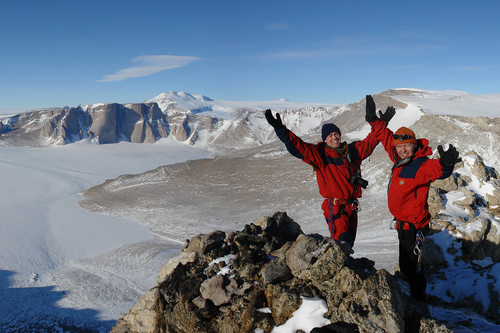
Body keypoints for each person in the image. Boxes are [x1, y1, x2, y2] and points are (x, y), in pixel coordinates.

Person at [365, 98, 460, 300]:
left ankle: (418, 301)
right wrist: (374, 121)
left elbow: (436, 170)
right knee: (407, 263)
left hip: (413, 226)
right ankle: (415, 293)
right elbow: (385, 137)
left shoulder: (419, 165)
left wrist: (445, 165)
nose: (403, 149)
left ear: (414, 146)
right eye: (400, 146)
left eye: (407, 146)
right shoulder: (399, 158)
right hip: (404, 224)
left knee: (409, 267)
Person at [265, 96, 388, 248]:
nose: (334, 137)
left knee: (349, 245)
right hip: (336, 209)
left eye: (336, 134)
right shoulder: (320, 155)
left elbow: (371, 141)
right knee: (341, 246)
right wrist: (280, 130)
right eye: (330, 136)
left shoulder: (352, 151)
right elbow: (298, 147)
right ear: (325, 140)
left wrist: (380, 124)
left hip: (351, 208)